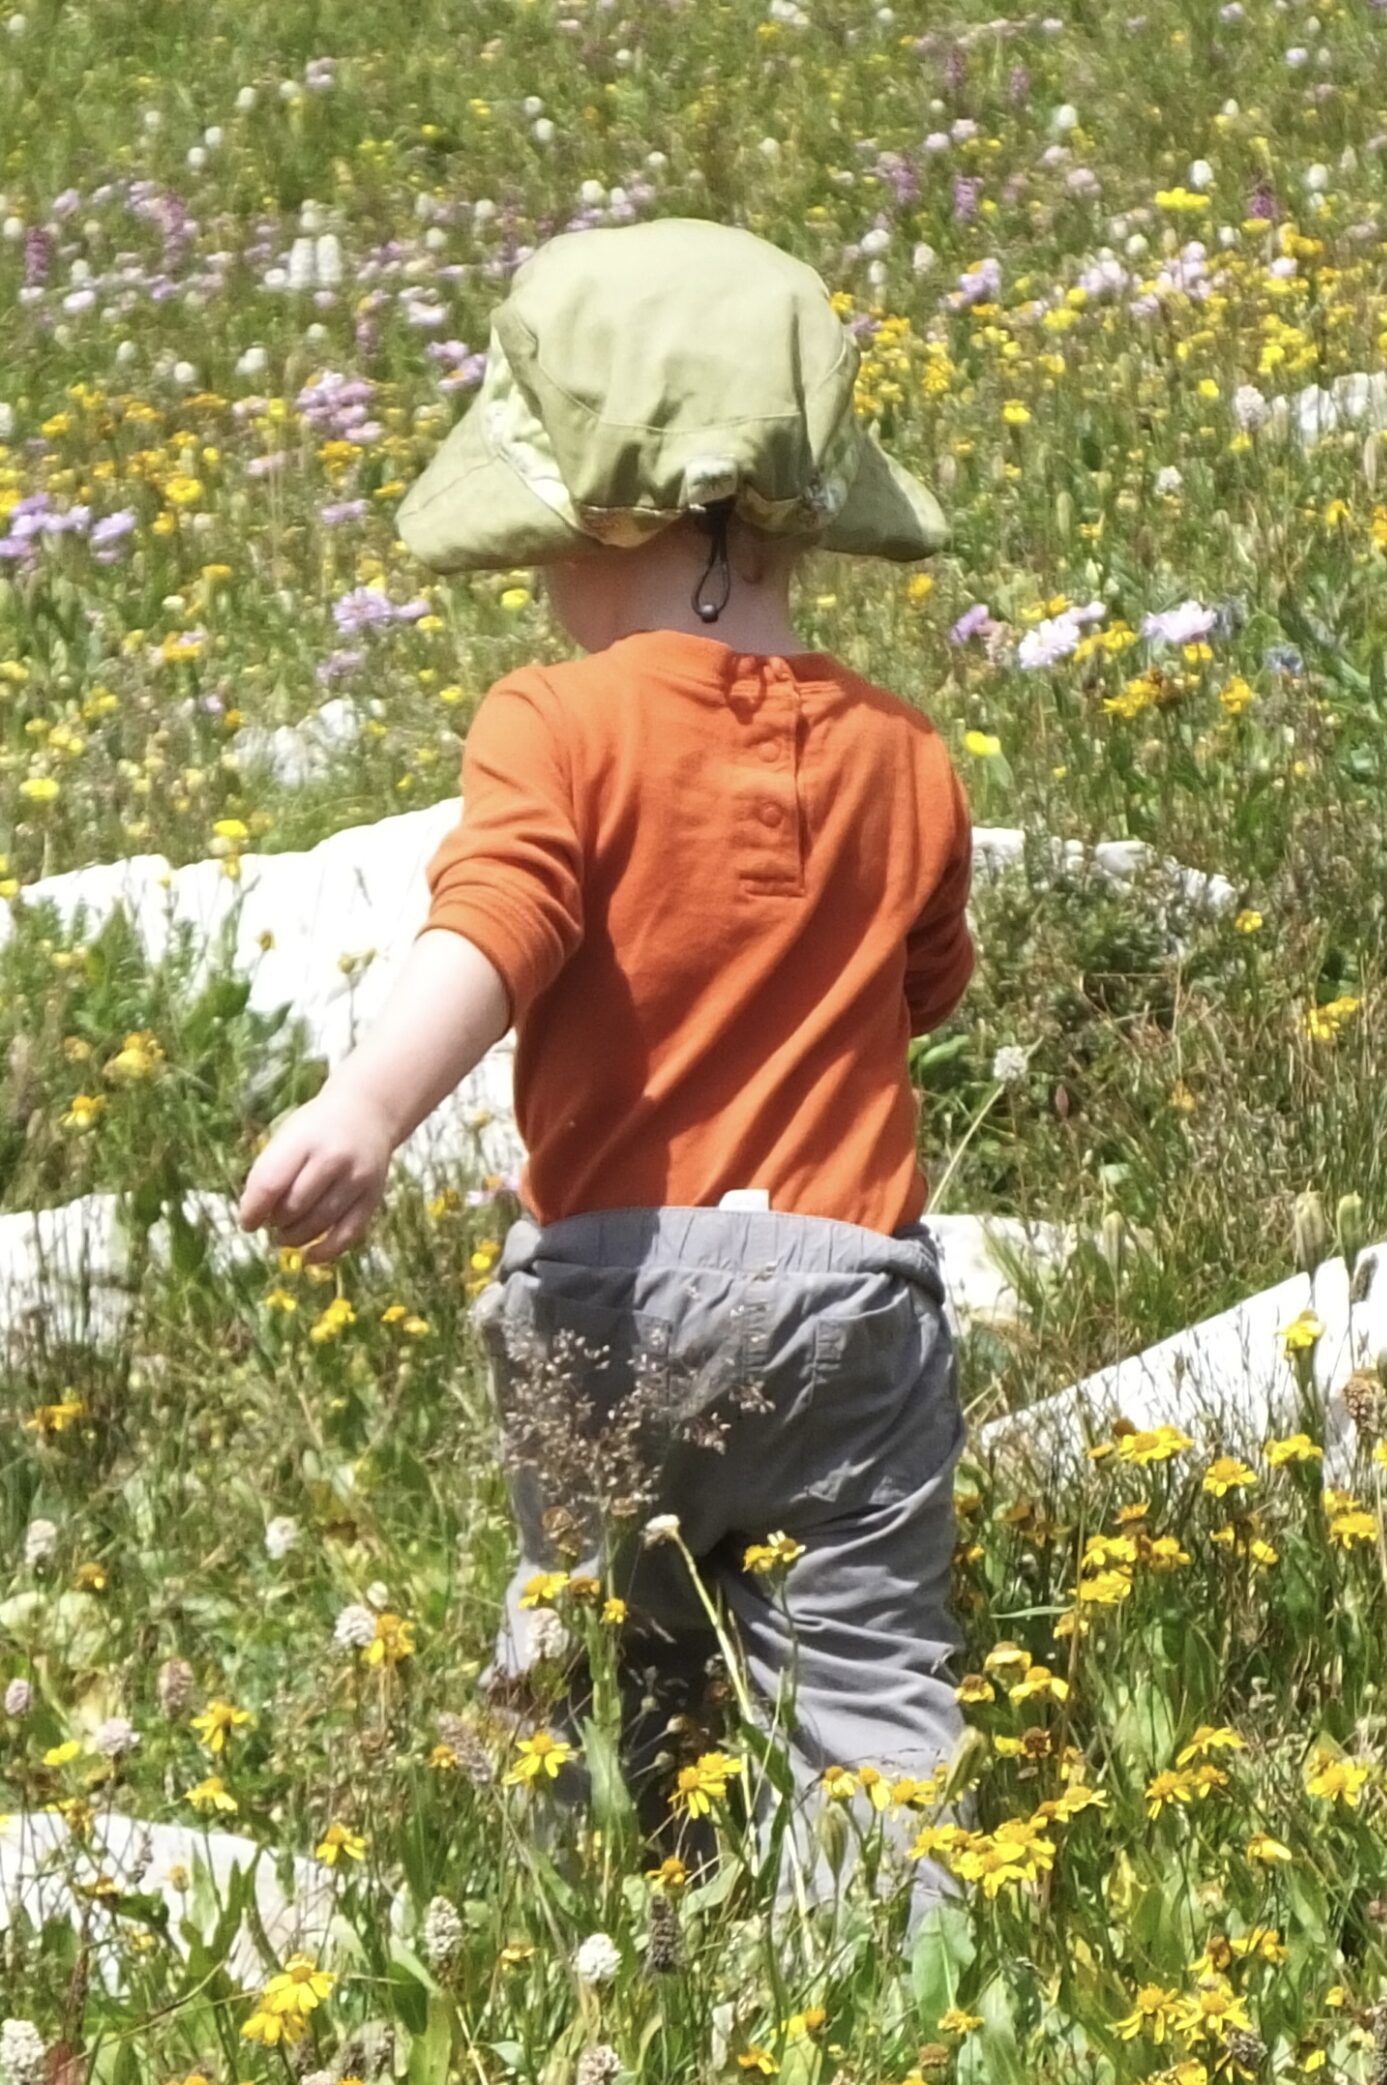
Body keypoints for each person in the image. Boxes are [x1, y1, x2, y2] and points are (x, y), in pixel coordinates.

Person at [234, 218, 975, 1936]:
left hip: (601, 1298)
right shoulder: (907, 755)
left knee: (587, 1640)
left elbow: (498, 925)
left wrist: (364, 1108)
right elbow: (921, 989)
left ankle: (573, 1942)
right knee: (862, 1683)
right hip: (846, 1302)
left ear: (619, 515)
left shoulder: (553, 723)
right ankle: (892, 2012)